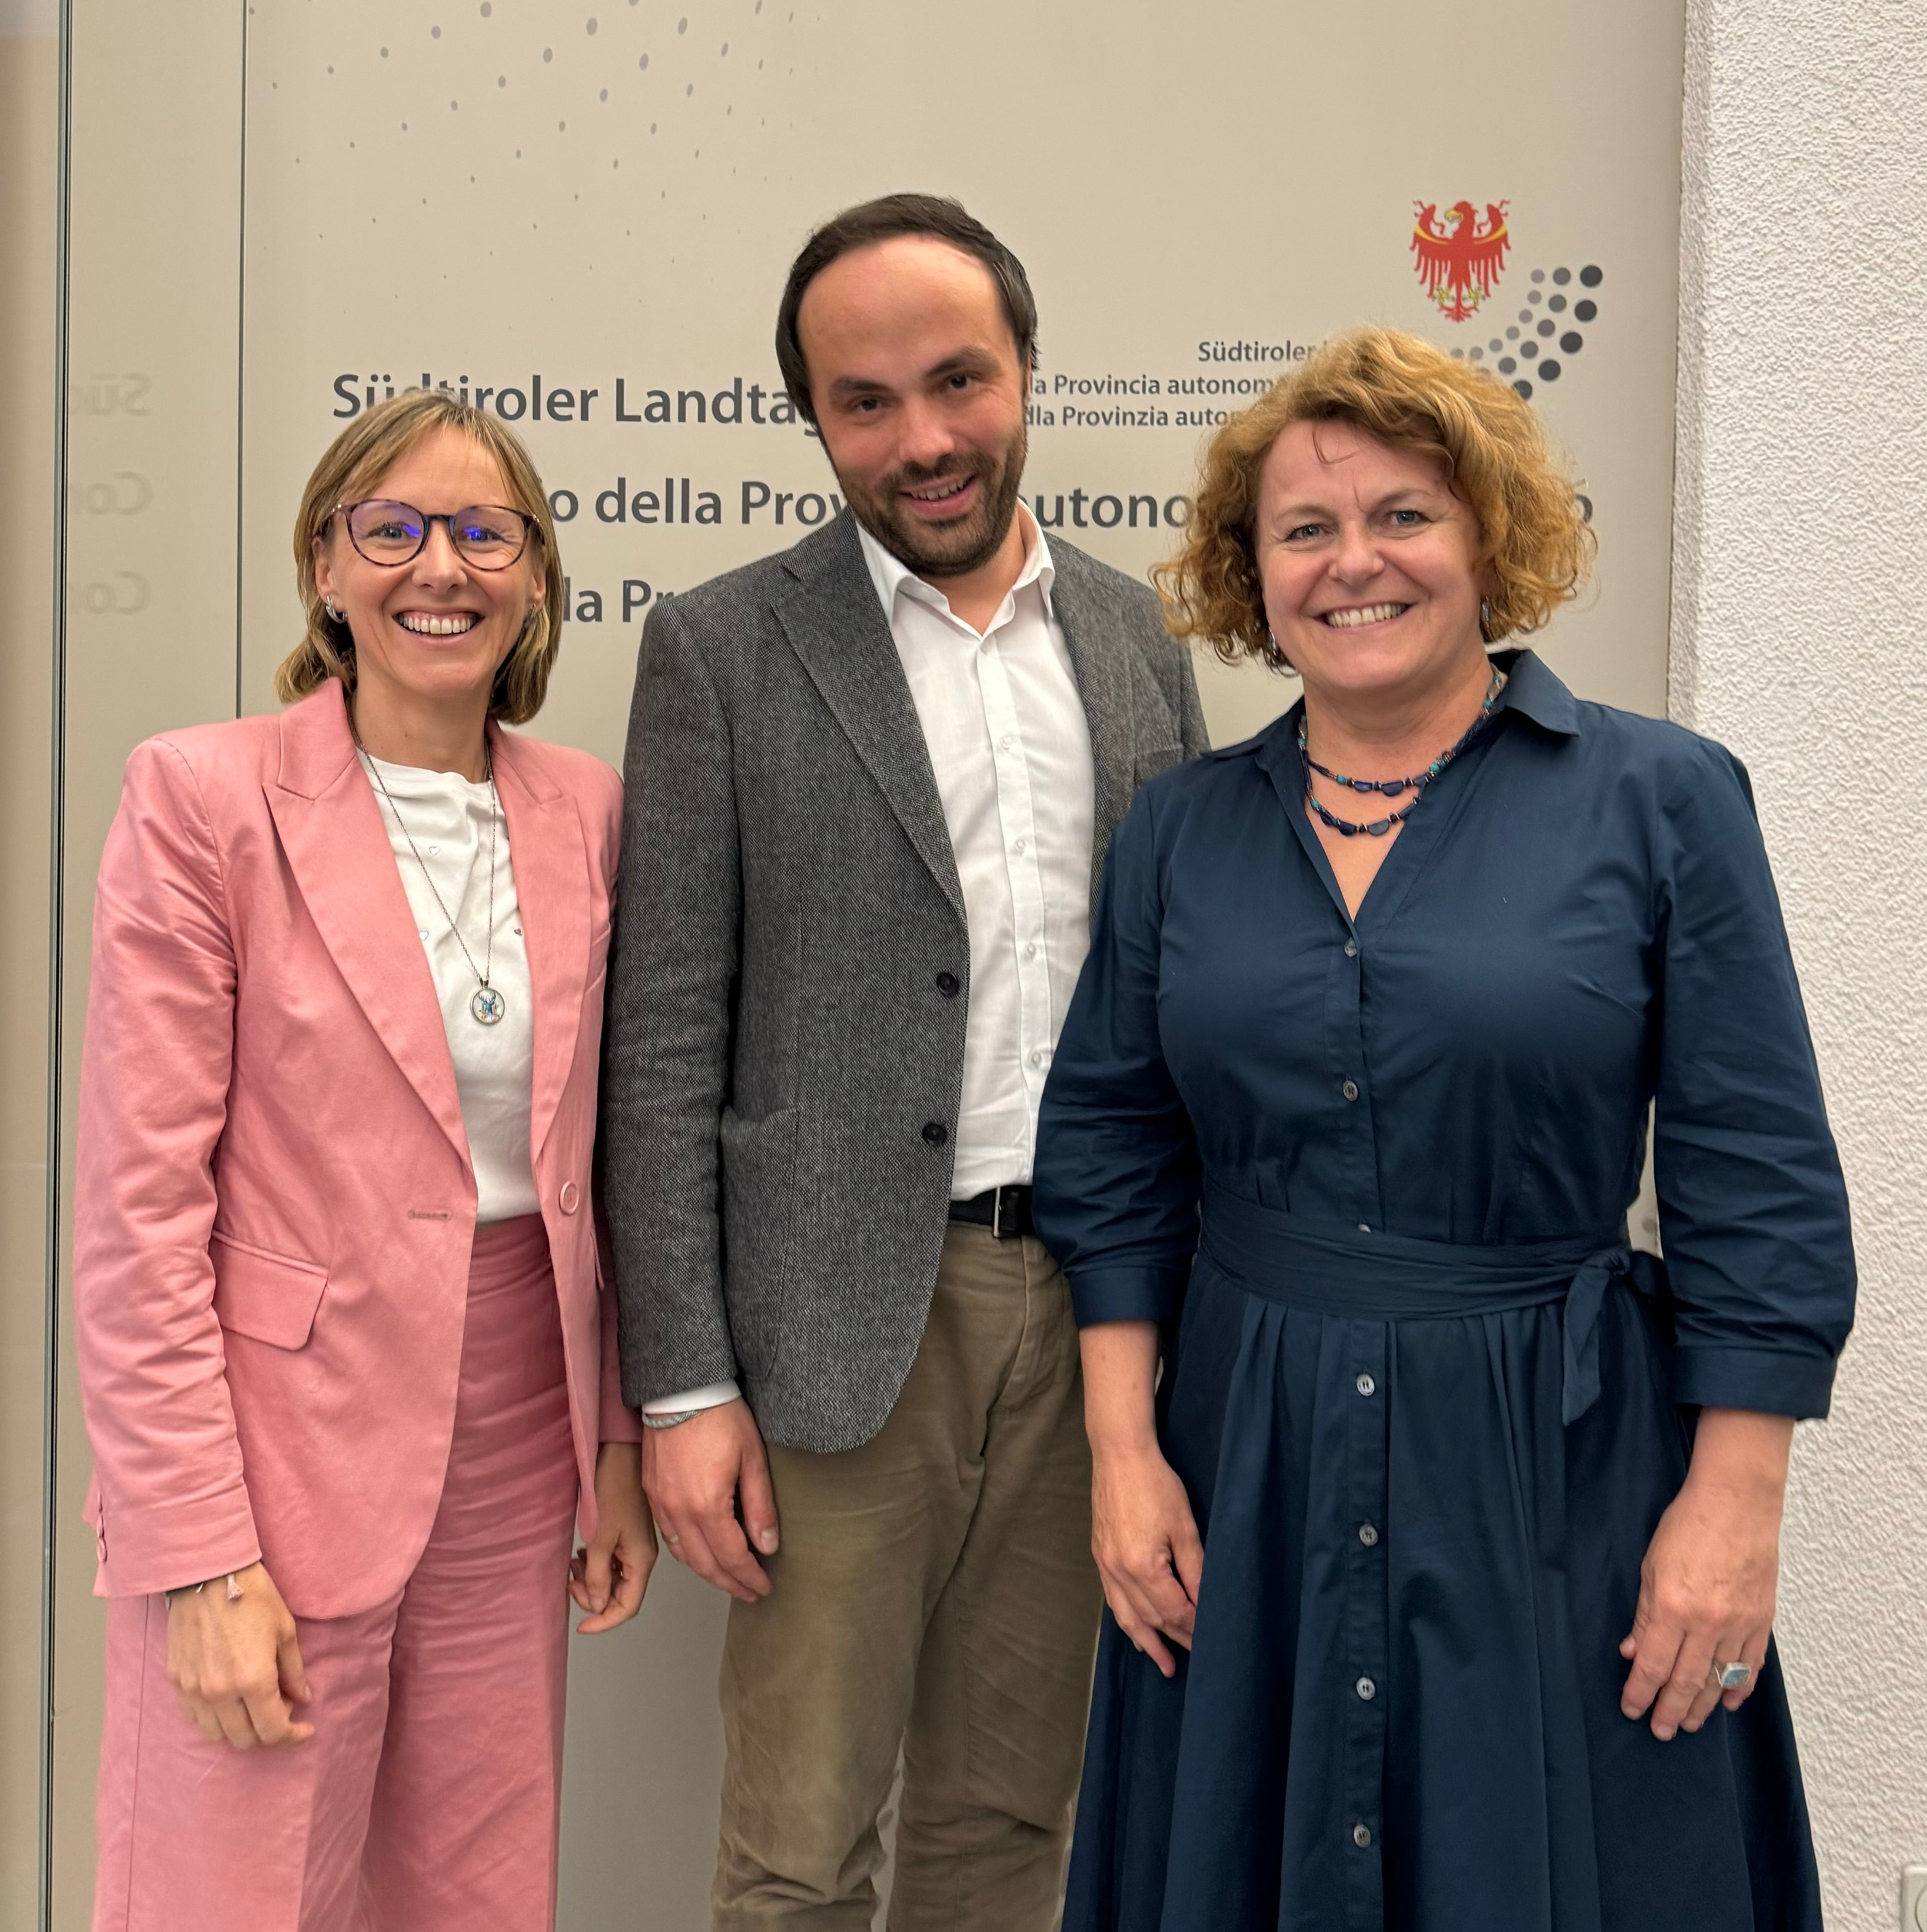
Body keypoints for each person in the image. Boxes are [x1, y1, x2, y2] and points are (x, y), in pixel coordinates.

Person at [1032, 327, 1856, 1932]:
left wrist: (1731, 1506)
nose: (1355, 562)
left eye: (1403, 515)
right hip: (1245, 1452)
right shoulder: (1180, 832)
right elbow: (1113, 1155)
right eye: (1304, 530)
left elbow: (1753, 1167)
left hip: (1556, 1464)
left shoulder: (1660, 799)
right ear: (1247, 570)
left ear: (1486, 533)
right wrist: (1123, 1456)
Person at [601, 192, 1208, 1929]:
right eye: (863, 401)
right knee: (796, 1851)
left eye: (958, 380)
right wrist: (685, 1387)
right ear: (811, 419)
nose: (922, 438)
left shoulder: (1134, 641)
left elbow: (1187, 999)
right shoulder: (720, 649)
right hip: (835, 1337)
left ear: (1026, 372)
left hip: (1101, 1321)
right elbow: (660, 1047)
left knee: (1011, 1821)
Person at [74, 390, 653, 1932]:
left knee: (472, 1892)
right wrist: (194, 1556)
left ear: (534, 574)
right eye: (387, 529)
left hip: (520, 1429)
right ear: (323, 567)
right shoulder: (202, 796)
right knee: (239, 1892)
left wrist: (612, 1441)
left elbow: (597, 1161)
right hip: (273, 1447)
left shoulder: (586, 807)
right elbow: (139, 1216)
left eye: (481, 532)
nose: (435, 568)